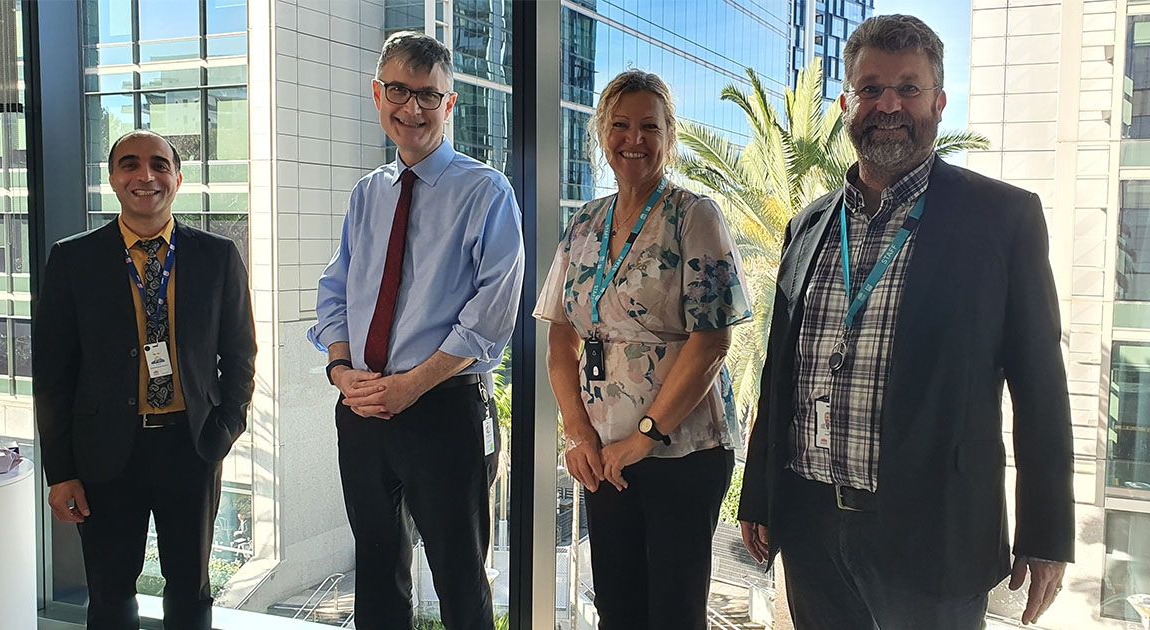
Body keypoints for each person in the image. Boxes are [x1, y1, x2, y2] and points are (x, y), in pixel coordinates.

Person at [737, 14, 1074, 629]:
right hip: (811, 531)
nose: (888, 105)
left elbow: (1042, 387)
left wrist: (1046, 532)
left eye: (908, 88)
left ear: (939, 102)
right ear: (846, 104)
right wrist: (758, 493)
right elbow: (778, 371)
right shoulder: (808, 225)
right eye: (870, 89)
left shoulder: (1002, 219)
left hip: (933, 539)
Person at [308, 31, 523, 630]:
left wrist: (412, 385)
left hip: (443, 410)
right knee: (376, 573)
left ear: (449, 105)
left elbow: (493, 311)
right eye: (399, 91)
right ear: (378, 95)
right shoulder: (367, 194)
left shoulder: (486, 191)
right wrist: (340, 368)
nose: (413, 108)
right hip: (363, 406)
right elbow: (336, 289)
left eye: (429, 95)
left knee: (458, 577)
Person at [534, 69, 752, 630]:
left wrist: (644, 436)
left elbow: (711, 341)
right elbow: (560, 332)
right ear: (601, 133)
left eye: (649, 127)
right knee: (618, 606)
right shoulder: (584, 222)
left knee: (673, 615)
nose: (634, 139)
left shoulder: (694, 216)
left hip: (682, 452)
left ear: (668, 136)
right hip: (604, 455)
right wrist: (579, 432)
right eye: (621, 125)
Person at [33, 129, 256, 629]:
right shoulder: (73, 260)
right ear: (112, 179)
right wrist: (61, 470)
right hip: (105, 452)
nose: (145, 175)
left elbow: (240, 355)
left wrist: (221, 433)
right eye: (130, 164)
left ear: (177, 178)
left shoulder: (217, 256)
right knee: (110, 595)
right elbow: (53, 375)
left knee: (191, 593)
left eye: (159, 164)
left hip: (191, 445)